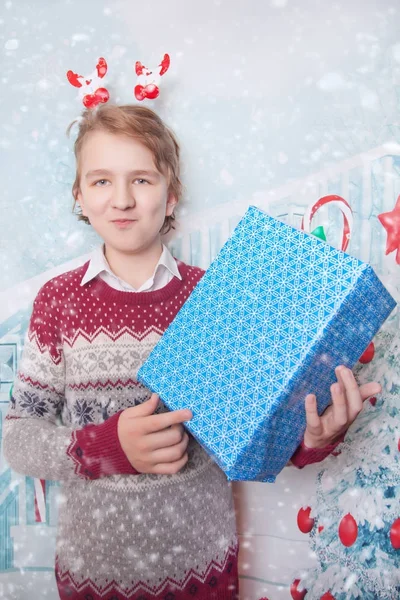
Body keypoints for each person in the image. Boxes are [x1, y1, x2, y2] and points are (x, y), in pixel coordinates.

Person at [2, 104, 381, 600]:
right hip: (92, 577)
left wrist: (312, 439)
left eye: (141, 180)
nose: (121, 199)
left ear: (171, 194)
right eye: (100, 181)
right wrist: (110, 447)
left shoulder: (215, 297)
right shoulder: (59, 300)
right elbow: (19, 438)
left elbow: (255, 438)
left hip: (205, 575)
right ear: (79, 195)